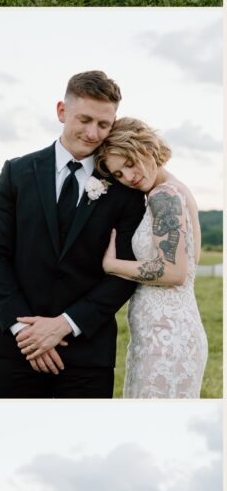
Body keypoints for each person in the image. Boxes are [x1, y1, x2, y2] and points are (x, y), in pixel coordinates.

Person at [0, 69, 146, 398]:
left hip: (88, 351)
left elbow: (125, 272)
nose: (92, 132)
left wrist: (63, 325)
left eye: (103, 124)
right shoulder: (16, 173)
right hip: (18, 347)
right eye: (84, 119)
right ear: (61, 111)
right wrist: (25, 331)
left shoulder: (126, 190)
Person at [97, 115, 209, 397]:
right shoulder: (175, 189)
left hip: (167, 338)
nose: (129, 177)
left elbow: (175, 272)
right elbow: (195, 256)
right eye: (119, 174)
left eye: (130, 164)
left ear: (145, 146)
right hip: (165, 333)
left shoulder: (164, 196)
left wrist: (113, 265)